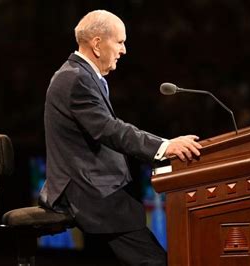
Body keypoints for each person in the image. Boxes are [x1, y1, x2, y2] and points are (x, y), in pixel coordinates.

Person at [39, 10, 202, 266]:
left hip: (96, 185)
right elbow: (110, 130)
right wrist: (165, 146)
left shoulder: (82, 74)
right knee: (154, 261)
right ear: (97, 43)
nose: (124, 50)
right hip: (87, 192)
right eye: (120, 42)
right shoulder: (76, 79)